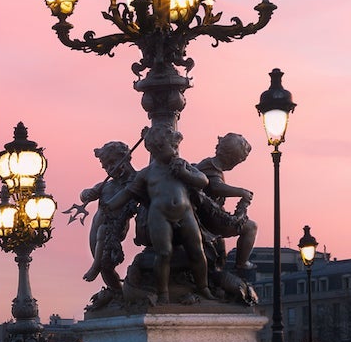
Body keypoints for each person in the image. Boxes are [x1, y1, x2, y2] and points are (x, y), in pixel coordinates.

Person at [109, 123, 209, 303]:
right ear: (154, 149)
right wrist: (109, 204)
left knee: (197, 250)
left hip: (185, 212)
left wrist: (185, 174)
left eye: (175, 146)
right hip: (159, 215)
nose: (174, 150)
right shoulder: (146, 173)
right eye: (169, 147)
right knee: (164, 253)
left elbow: (203, 181)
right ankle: (163, 293)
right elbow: (128, 193)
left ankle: (203, 287)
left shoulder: (181, 165)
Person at [75, 141, 138, 297]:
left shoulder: (134, 181)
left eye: (112, 163)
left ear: (125, 158)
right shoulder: (106, 185)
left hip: (115, 227)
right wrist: (86, 193)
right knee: (106, 268)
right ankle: (117, 293)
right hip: (96, 227)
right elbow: (84, 194)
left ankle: (95, 266)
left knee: (103, 261)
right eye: (106, 167)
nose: (110, 169)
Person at [195, 132, 258, 273]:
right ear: (231, 158)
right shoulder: (211, 166)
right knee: (251, 227)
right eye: (236, 162)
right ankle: (242, 263)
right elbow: (216, 187)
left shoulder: (210, 165)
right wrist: (241, 192)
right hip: (208, 219)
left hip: (208, 215)